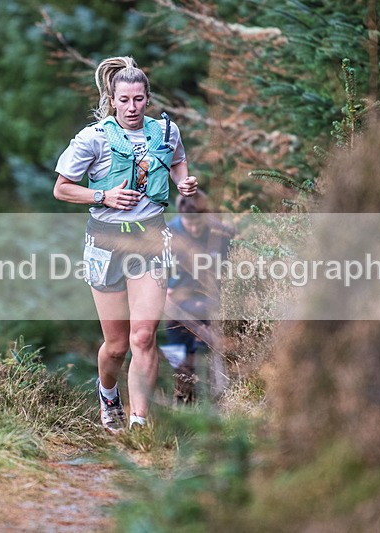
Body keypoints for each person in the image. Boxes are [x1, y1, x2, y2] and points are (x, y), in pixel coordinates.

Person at [53, 56, 198, 432]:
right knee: (116, 346)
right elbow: (62, 189)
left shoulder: (166, 132)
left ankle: (137, 424)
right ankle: (108, 392)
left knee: (144, 335)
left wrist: (184, 183)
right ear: (112, 100)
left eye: (139, 99)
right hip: (105, 241)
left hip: (151, 236)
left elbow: (179, 161)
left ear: (148, 99)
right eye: (124, 100)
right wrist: (103, 196)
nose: (132, 107)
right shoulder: (93, 138)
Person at [163, 190, 233, 403]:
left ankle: (212, 404)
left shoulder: (221, 233)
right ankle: (183, 404)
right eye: (189, 224)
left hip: (210, 304)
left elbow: (233, 269)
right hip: (177, 307)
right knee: (179, 361)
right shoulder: (168, 233)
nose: (193, 229)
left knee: (206, 358)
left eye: (198, 224)